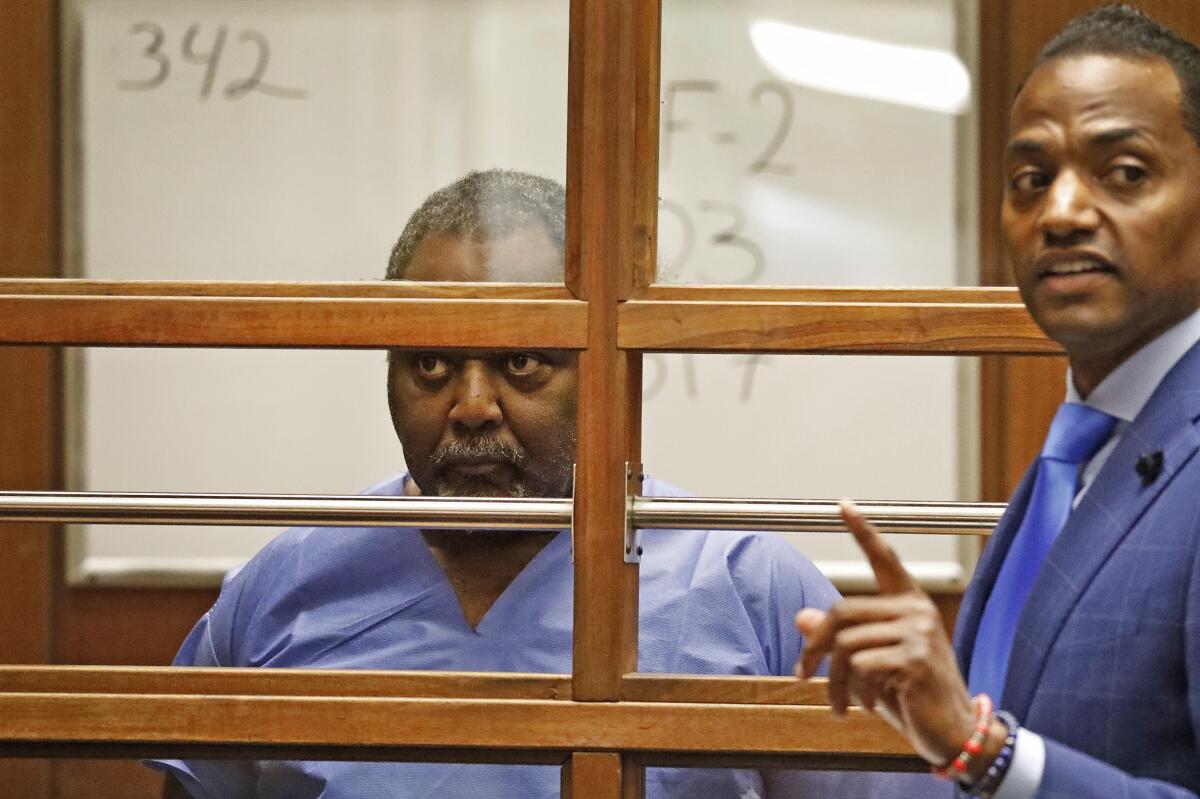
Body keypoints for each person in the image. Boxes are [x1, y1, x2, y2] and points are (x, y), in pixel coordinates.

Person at [151, 169, 915, 798]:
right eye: (430, 364)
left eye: (522, 363)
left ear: (606, 373)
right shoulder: (280, 590)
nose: (473, 404)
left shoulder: (755, 590)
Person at [796, 5, 1200, 798]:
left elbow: (990, 753)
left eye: (1125, 173)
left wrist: (981, 746)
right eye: (1032, 179)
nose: (1062, 212)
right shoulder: (1083, 450)